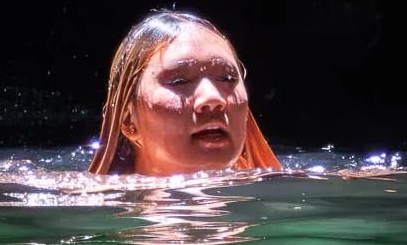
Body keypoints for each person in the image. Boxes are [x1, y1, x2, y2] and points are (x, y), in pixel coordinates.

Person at [89, 9, 282, 177]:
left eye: (228, 78)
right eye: (179, 81)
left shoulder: (284, 190)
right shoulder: (86, 200)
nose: (213, 98)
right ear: (128, 121)